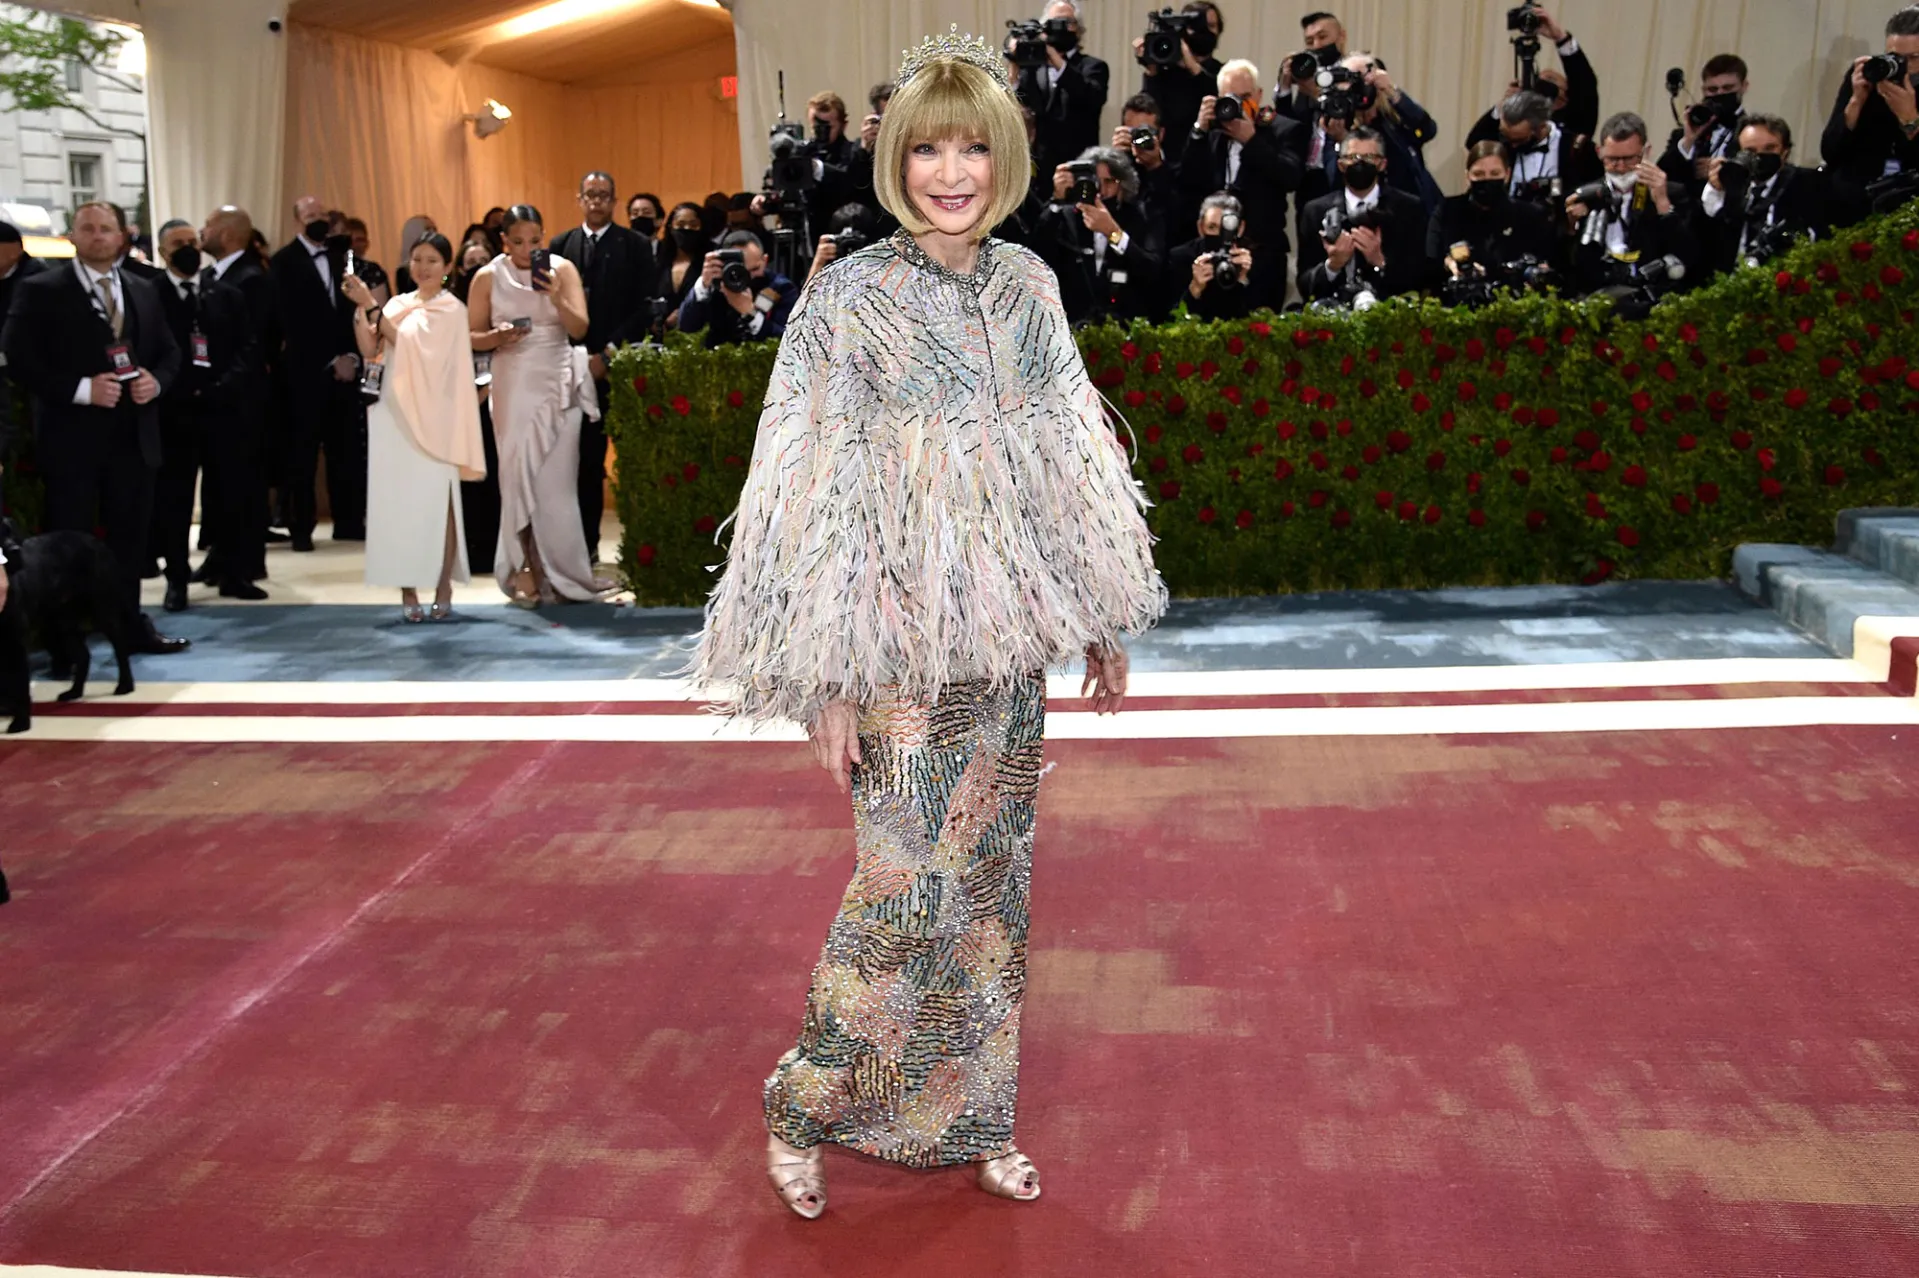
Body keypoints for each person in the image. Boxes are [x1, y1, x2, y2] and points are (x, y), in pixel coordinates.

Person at [689, 28, 1163, 1221]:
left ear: (1003, 158)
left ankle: (973, 1119)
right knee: (901, 891)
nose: (950, 174)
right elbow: (802, 486)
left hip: (1007, 652)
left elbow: (1072, 461)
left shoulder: (1028, 285)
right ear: (894, 158)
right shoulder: (849, 299)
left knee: (990, 897)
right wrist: (824, 676)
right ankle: (800, 1102)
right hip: (892, 651)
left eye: (971, 150)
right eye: (926, 150)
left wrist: (1100, 616)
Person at [0, 201, 187, 654]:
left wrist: (156, 382)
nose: (98, 235)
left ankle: (129, 627)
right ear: (72, 236)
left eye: (106, 228)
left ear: (122, 237)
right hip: (71, 440)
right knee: (69, 543)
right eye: (88, 228)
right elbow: (19, 357)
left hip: (134, 438)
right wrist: (81, 389)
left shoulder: (144, 289)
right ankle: (66, 642)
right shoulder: (42, 289)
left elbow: (169, 352)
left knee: (130, 541)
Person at [466, 204, 608, 607]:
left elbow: (580, 328)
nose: (528, 249)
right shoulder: (487, 276)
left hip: (559, 378)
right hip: (512, 382)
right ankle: (525, 567)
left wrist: (556, 296)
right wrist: (498, 336)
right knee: (516, 478)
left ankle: (563, 572)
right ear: (503, 241)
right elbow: (471, 334)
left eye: (535, 240)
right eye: (518, 242)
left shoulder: (562, 270)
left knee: (557, 485)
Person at [343, 231, 486, 623]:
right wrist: (362, 310)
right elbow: (372, 347)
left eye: (432, 261)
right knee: (398, 504)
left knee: (440, 502)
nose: (422, 268)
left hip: (435, 417)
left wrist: (371, 304)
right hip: (393, 413)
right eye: (417, 259)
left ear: (447, 267)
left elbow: (415, 348)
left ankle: (443, 585)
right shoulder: (398, 304)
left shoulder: (450, 309)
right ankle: (407, 588)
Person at [149, 219, 265, 609]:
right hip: (173, 413)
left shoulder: (225, 294)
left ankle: (233, 572)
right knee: (175, 499)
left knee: (230, 493)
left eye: (191, 241)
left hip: (222, 409)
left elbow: (247, 347)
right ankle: (177, 577)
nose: (187, 248)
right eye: (177, 243)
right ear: (163, 252)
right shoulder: (150, 295)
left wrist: (223, 385)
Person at [550, 171, 657, 563]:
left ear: (614, 201)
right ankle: (584, 548)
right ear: (579, 199)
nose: (596, 201)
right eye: (590, 194)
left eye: (603, 195)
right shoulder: (559, 245)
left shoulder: (636, 245)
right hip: (571, 368)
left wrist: (608, 354)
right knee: (582, 461)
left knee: (629, 459)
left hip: (620, 367)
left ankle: (639, 547)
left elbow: (646, 306)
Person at [270, 195, 364, 550]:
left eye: (322, 214)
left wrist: (350, 357)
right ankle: (301, 528)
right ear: (298, 221)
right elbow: (289, 321)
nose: (318, 219)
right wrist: (329, 359)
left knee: (345, 450)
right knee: (303, 454)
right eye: (311, 215)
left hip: (345, 372)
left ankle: (349, 522)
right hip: (304, 374)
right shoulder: (283, 262)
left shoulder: (341, 257)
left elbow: (351, 312)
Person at [1182, 60, 1306, 300]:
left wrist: (1252, 141)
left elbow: (1291, 177)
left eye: (1245, 97)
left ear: (1259, 95)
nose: (1237, 105)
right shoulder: (1212, 133)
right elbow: (1187, 180)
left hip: (1263, 254)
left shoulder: (1284, 129)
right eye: (1231, 98)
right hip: (1212, 254)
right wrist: (1199, 129)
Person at [197, 204, 274, 591]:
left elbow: (257, 345)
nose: (202, 231)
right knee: (218, 483)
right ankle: (220, 556)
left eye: (208, 225)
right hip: (213, 399)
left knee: (243, 484)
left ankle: (244, 565)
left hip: (241, 402)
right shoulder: (209, 276)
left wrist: (223, 385)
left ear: (227, 234)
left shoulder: (252, 279)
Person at [1564, 111, 1698, 298]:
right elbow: (1566, 261)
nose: (1620, 167)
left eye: (1629, 159)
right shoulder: (1583, 195)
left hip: (1649, 297)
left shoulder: (1671, 193)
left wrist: (1663, 206)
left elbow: (1689, 257)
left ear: (1645, 151)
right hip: (1595, 296)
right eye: (1612, 159)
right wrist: (1570, 227)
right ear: (1599, 152)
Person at [1296, 126, 1430, 305]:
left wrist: (1379, 261)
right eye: (1352, 158)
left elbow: (1421, 278)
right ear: (1341, 165)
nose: (1360, 164)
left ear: (1382, 164)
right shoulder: (1315, 211)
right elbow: (1305, 284)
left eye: (1369, 158)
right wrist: (1332, 265)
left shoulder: (1409, 209)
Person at [1037, 146, 1166, 324]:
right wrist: (1057, 199)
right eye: (1095, 182)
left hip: (1125, 323)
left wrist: (1113, 233)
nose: (1101, 191)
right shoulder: (1065, 216)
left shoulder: (1143, 216)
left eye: (1109, 182)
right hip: (1071, 323)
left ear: (1123, 184)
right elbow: (1037, 254)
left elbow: (1152, 270)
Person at [1697, 114, 1833, 274]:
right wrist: (1716, 190)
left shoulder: (1806, 183)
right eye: (1750, 151)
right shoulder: (1734, 186)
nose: (1760, 157)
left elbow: (1819, 238)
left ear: (1785, 152)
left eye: (1770, 148)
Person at [1820, 7, 1919, 212]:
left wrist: (1910, 119)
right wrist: (1857, 100)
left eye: (1913, 58)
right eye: (1894, 56)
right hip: (1855, 196)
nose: (1902, 65)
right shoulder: (1870, 74)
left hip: (1908, 203)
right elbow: (1830, 151)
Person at [1466, 5, 1599, 152]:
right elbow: (1475, 143)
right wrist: (1503, 107)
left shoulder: (1573, 126)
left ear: (1564, 96)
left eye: (1548, 85)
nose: (1539, 91)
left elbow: (1585, 86)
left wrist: (1561, 38)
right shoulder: (1514, 133)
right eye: (1538, 84)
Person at [1429, 141, 1560, 288]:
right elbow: (1431, 258)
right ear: (1467, 176)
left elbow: (1547, 262)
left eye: (1495, 173)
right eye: (1479, 174)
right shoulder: (1447, 210)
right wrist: (1448, 263)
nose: (1487, 179)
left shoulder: (1531, 215)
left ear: (1507, 174)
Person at [1010, 1, 1109, 174]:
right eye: (1054, 22)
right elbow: (1020, 104)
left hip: (1079, 166)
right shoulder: (1034, 70)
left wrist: (1055, 58)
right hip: (1040, 169)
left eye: (1067, 22)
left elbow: (1092, 97)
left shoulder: (1093, 67)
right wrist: (1014, 65)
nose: (1060, 28)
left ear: (1078, 29)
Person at [1130, 0, 1225, 161]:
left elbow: (1217, 100)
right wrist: (1151, 71)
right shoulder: (1166, 74)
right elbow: (1149, 112)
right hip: (1169, 159)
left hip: (1208, 160)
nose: (1205, 32)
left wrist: (1192, 66)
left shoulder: (1223, 73)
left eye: (1211, 26)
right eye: (1198, 27)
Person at [1474, 90, 1599, 207]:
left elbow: (1596, 187)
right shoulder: (1505, 143)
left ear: (1541, 127)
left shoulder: (1577, 147)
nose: (1513, 146)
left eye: (1519, 140)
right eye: (1506, 137)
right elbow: (1474, 143)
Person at [675, 230, 798, 347]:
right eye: (739, 271)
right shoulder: (714, 285)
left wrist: (750, 313)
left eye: (755, 269)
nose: (748, 277)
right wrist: (703, 285)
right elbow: (686, 328)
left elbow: (787, 342)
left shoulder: (780, 287)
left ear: (765, 260)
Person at [1168, 192, 1269, 318]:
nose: (1219, 235)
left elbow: (1264, 319)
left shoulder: (1255, 260)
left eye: (1226, 228)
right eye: (1212, 227)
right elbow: (1168, 320)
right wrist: (1194, 289)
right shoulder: (1181, 257)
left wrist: (1243, 280)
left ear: (1240, 228)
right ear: (1200, 227)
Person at [1659, 53, 1751, 190]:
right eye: (1713, 90)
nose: (1720, 94)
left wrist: (1722, 172)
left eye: (1728, 88)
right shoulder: (1684, 133)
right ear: (1703, 90)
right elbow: (1660, 177)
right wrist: (1688, 141)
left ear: (1744, 86)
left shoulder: (1753, 132)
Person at [1272, 9, 1348, 126]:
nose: (1316, 45)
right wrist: (1285, 87)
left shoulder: (1354, 70)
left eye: (1322, 37)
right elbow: (1290, 127)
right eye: (1309, 41)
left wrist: (1315, 93)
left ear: (1342, 36)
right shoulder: (1307, 75)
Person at [656, 202, 709, 324]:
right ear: (671, 227)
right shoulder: (659, 259)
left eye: (693, 225)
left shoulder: (710, 259)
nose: (687, 228)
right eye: (680, 224)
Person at [342, 218, 389, 302]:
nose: (354, 245)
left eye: (359, 240)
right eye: (350, 241)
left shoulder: (371, 270)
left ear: (367, 243)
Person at [392, 215, 436, 294]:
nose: (433, 234)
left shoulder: (439, 263)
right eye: (428, 229)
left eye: (434, 229)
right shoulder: (404, 271)